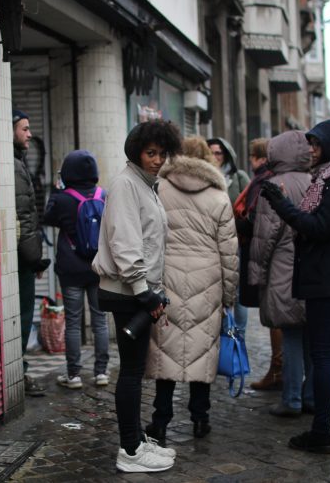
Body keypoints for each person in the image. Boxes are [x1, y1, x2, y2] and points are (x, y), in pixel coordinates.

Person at [260, 119, 330, 454]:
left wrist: (282, 204)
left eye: (317, 144)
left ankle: (322, 433)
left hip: (329, 282)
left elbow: (318, 227)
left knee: (324, 357)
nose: (311, 151)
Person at [93, 119, 181, 472]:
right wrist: (145, 293)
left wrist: (153, 292)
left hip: (139, 291)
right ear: (136, 152)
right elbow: (126, 244)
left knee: (134, 369)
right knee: (130, 371)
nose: (157, 159)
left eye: (162, 153)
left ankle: (135, 441)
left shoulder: (146, 185)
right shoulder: (127, 184)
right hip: (128, 292)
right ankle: (130, 449)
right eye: (151, 153)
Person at [144, 137, 238, 444]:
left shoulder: (159, 189)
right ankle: (200, 418)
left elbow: (149, 237)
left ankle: (160, 421)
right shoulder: (219, 197)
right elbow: (229, 253)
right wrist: (229, 296)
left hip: (167, 278)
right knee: (202, 352)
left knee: (166, 351)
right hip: (207, 282)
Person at [248, 131, 314, 416]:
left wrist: (256, 275)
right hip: (312, 272)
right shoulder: (316, 182)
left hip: (283, 273)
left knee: (290, 335)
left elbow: (264, 238)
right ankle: (311, 396)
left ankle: (292, 399)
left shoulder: (274, 186)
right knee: (312, 336)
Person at [43, 150, 109, 389]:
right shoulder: (104, 195)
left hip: (71, 268)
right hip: (98, 267)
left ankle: (74, 375)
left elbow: (47, 218)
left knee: (73, 321)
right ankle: (101, 373)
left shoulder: (63, 199)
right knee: (100, 319)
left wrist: (56, 190)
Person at [234, 138, 283, 391]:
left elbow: (254, 219)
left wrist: (233, 223)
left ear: (259, 158)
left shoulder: (263, 181)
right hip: (270, 253)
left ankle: (278, 369)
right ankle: (280, 368)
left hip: (265, 254)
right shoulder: (268, 178)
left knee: (274, 313)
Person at [13, 109, 49, 397]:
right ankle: (19, 373)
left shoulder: (16, 162)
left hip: (20, 256)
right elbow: (24, 217)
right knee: (23, 314)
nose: (29, 134)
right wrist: (33, 257)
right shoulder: (14, 166)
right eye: (24, 128)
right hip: (20, 259)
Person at [208, 137, 251, 336]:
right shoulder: (203, 177)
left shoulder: (238, 177)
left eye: (218, 153)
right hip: (209, 244)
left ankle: (238, 334)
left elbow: (250, 206)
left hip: (235, 241)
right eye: (211, 152)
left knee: (236, 290)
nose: (215, 157)